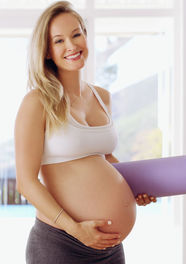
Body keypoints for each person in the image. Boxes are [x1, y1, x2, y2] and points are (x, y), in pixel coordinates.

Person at [14, 1, 156, 263]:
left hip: (110, 246)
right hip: (60, 242)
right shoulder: (37, 102)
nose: (71, 45)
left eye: (76, 34)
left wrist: (134, 187)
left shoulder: (102, 97)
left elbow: (105, 159)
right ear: (46, 51)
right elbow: (26, 182)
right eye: (59, 41)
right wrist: (75, 229)